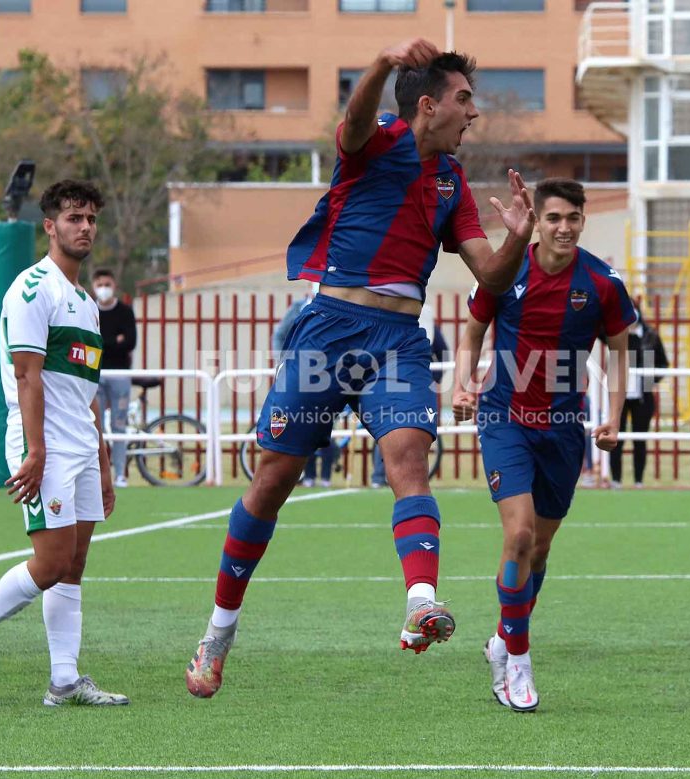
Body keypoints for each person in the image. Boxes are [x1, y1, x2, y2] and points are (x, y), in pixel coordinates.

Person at [185, 38, 536, 699]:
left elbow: (489, 272)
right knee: (272, 481)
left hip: (399, 337)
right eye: (465, 100)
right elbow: (349, 125)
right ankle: (218, 633)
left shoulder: (451, 183)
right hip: (328, 330)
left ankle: (421, 600)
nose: (474, 113)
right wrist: (381, 61)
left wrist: (518, 234)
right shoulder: (375, 144)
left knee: (408, 458)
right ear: (428, 105)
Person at [453, 178, 636, 711]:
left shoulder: (603, 283)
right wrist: (464, 384)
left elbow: (620, 353)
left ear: (583, 221)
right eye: (552, 218)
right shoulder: (506, 270)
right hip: (505, 419)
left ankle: (501, 641)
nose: (563, 227)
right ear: (536, 221)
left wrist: (614, 416)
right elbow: (471, 333)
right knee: (519, 534)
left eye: (572, 218)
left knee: (540, 549)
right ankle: (518, 662)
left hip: (563, 429)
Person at [0, 180, 128, 706]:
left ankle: (65, 681)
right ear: (49, 226)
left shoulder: (87, 303)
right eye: (73, 217)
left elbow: (86, 390)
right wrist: (37, 450)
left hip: (81, 445)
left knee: (74, 564)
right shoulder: (32, 289)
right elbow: (27, 379)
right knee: (49, 563)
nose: (84, 227)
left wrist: (104, 456)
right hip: (42, 443)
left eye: (91, 218)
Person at [371, 303, 450, 489]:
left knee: (416, 432)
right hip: (391, 384)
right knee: (386, 428)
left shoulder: (429, 327)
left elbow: (444, 354)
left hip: (417, 385)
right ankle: (379, 476)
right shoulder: (387, 324)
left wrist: (433, 378)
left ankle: (410, 478)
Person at [273, 285, 338, 488]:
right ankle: (308, 476)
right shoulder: (299, 308)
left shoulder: (338, 310)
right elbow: (280, 334)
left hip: (329, 373)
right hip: (300, 374)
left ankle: (326, 477)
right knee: (304, 427)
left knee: (326, 425)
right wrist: (283, 361)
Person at [608, 318, 668, 488]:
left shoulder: (650, 336)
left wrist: (649, 379)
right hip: (619, 395)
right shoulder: (616, 334)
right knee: (615, 438)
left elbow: (663, 364)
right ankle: (616, 480)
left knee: (640, 440)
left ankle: (638, 481)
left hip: (643, 396)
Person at [92, 268, 137, 489]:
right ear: (93, 286)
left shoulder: (125, 311)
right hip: (95, 374)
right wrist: (113, 341)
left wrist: (104, 342)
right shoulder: (89, 309)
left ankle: (120, 473)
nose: (104, 288)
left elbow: (130, 342)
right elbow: (91, 342)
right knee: (94, 426)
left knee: (119, 425)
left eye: (107, 284)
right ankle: (98, 474)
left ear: (114, 285)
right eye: (100, 284)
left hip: (120, 374)